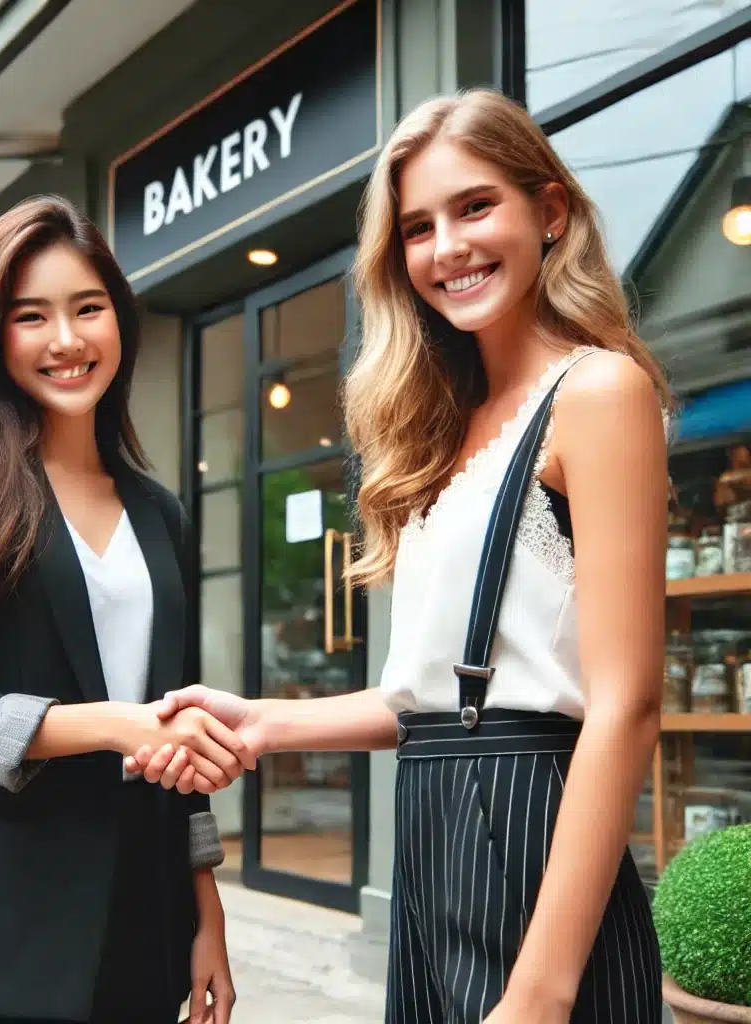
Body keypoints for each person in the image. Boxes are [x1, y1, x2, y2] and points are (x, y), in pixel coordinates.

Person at [128, 88, 669, 1023]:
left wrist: (540, 994)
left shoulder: (598, 390)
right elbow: (429, 701)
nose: (446, 248)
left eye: (474, 207)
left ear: (548, 213)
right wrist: (259, 723)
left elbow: (627, 704)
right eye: (417, 228)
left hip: (534, 836)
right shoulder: (443, 432)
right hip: (433, 829)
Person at [0, 195, 252, 1024]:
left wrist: (206, 914)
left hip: (146, 925)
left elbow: (178, 731)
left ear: (120, 321)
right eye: (31, 316)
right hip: (10, 928)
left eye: (88, 308)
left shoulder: (159, 512)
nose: (66, 340)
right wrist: (110, 725)